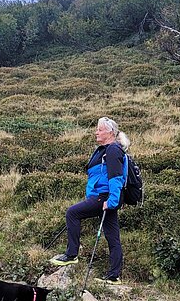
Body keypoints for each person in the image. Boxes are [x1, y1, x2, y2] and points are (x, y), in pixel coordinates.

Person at [50, 117, 130, 284]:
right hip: (104, 197)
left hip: (104, 198)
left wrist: (112, 201)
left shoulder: (113, 150)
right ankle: (114, 276)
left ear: (110, 132)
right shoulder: (106, 149)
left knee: (72, 213)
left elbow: (116, 178)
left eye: (99, 129)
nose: (96, 132)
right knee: (113, 237)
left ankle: (71, 255)